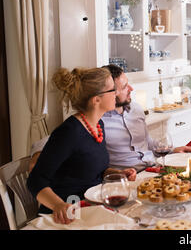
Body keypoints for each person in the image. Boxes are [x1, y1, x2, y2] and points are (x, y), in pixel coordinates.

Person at [29, 64, 191, 172]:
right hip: (127, 178)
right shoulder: (96, 119)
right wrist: (38, 154)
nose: (131, 88)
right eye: (124, 87)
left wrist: (173, 150)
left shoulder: (136, 109)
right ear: (108, 92)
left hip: (154, 168)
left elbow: (147, 143)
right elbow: (62, 137)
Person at [27, 67, 137, 224]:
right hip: (66, 215)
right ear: (96, 99)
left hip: (91, 207)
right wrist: (58, 205)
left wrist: (116, 174)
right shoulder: (69, 132)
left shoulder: (98, 125)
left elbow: (89, 170)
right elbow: (35, 181)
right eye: (112, 90)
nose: (117, 93)